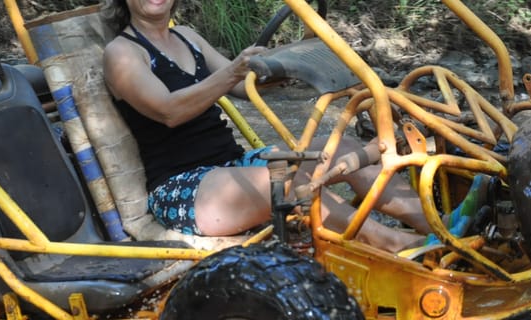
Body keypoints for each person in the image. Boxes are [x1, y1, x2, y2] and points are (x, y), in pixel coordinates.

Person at [101, 0, 482, 252]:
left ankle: (440, 223)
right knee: (290, 181)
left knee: (346, 149)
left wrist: (288, 61)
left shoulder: (187, 36)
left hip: (232, 166)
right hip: (182, 189)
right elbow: (169, 111)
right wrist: (236, 67)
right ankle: (396, 245)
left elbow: (241, 87)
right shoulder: (122, 53)